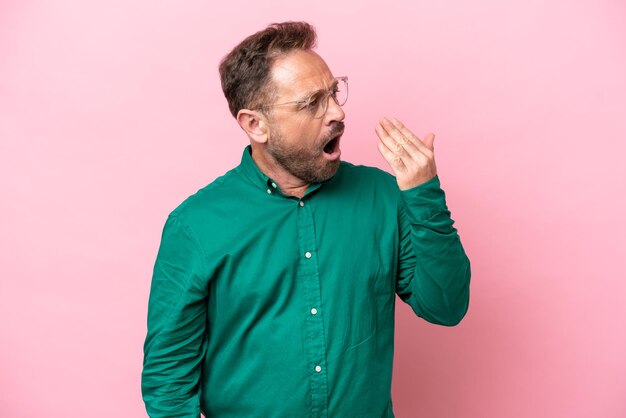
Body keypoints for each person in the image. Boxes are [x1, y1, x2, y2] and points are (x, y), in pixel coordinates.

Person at [141, 21, 471, 418]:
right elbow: (168, 381)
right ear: (255, 125)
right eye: (312, 102)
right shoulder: (195, 226)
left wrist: (424, 195)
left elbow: (446, 306)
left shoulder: (384, 197)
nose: (337, 111)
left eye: (333, 92)